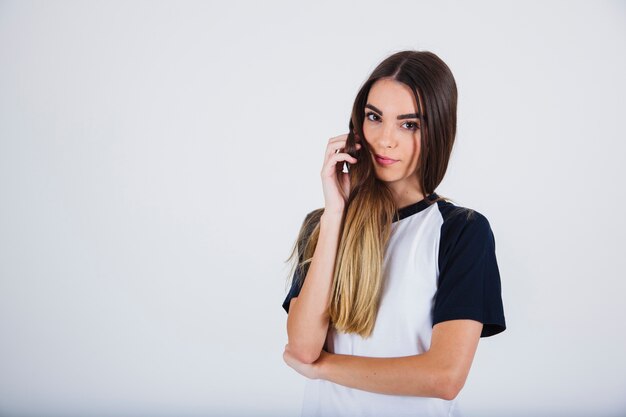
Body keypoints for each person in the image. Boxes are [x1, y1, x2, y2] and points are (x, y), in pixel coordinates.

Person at [281, 50, 506, 417]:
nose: (385, 140)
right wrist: (336, 213)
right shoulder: (323, 225)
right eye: (374, 117)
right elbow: (303, 347)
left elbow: (444, 377)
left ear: (438, 130)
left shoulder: (461, 232)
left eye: (409, 124)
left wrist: (323, 368)